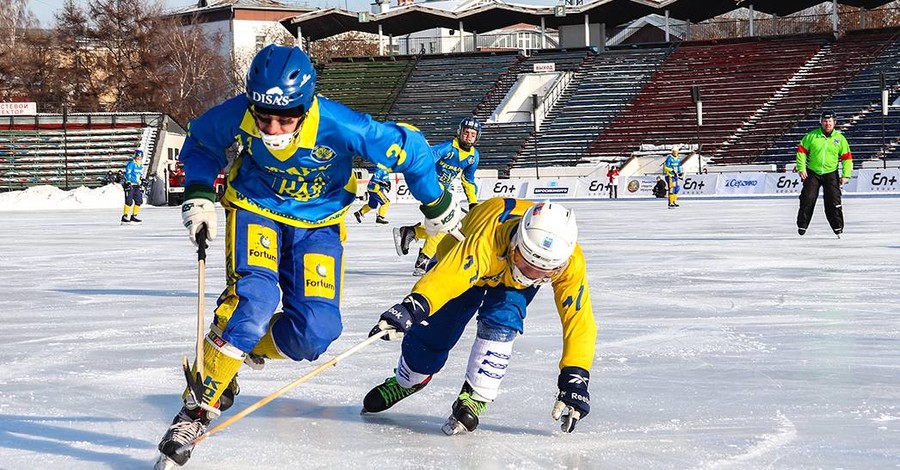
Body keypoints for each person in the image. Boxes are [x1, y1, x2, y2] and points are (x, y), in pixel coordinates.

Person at [155, 44, 464, 468]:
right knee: (254, 303)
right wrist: (199, 195)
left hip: (319, 224)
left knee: (316, 333)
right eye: (264, 117)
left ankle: (236, 350)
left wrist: (435, 203)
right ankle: (195, 411)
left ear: (307, 103)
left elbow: (411, 149)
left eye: (286, 118)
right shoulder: (238, 113)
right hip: (256, 209)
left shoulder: (339, 124)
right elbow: (203, 142)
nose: (273, 129)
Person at [363, 198, 596, 435]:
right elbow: (447, 277)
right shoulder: (487, 239)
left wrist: (575, 375)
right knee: (436, 331)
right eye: (524, 264)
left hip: (503, 276)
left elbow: (578, 319)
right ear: (516, 245)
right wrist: (413, 307)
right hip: (462, 261)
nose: (530, 276)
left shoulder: (569, 262)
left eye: (544, 273)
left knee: (504, 319)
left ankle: (478, 395)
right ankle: (409, 379)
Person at [393, 116, 482, 275]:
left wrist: (473, 203)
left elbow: (468, 181)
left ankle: (411, 232)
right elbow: (427, 158)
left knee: (445, 225)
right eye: (466, 132)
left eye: (473, 134)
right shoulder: (448, 148)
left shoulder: (473, 157)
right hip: (429, 186)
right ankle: (423, 261)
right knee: (446, 223)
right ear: (459, 132)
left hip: (442, 190)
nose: (468, 136)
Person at [796, 110, 852, 238]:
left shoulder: (840, 139)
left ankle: (837, 227)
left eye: (830, 121)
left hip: (831, 173)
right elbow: (801, 152)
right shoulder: (811, 136)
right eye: (825, 121)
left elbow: (847, 158)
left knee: (833, 201)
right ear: (821, 122)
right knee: (807, 198)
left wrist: (846, 174)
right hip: (812, 172)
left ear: (834, 122)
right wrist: (801, 168)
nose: (827, 124)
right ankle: (802, 225)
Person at [121, 149, 144, 224]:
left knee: (139, 201)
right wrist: (128, 182)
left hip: (136, 185)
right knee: (129, 201)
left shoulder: (140, 165)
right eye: (137, 156)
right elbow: (128, 173)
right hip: (131, 184)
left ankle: (134, 216)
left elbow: (139, 175)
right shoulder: (131, 164)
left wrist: (142, 180)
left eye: (140, 156)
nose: (139, 158)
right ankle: (125, 216)